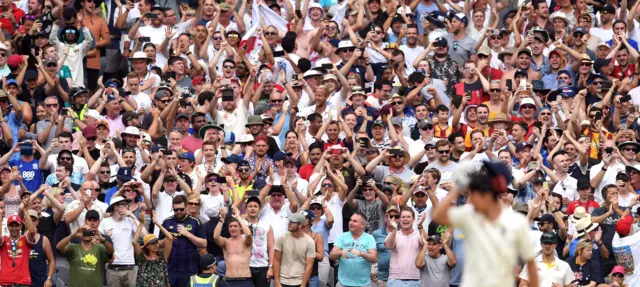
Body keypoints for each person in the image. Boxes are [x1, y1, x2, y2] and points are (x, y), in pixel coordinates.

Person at [431, 161, 538, 287]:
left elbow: (531, 264)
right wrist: (457, 189)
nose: (473, 197)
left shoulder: (516, 222)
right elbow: (438, 216)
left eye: (478, 192)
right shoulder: (470, 215)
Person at [56, 210, 115, 287]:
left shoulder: (104, 239)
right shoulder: (76, 239)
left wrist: (101, 240)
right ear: (85, 221)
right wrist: (73, 234)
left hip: (97, 279)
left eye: (95, 220)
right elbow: (59, 247)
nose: (92, 223)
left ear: (99, 222)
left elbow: (111, 259)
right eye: (90, 220)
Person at [161, 194, 207, 286]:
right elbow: (158, 244)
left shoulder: (195, 221)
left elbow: (204, 243)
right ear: (172, 208)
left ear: (186, 207)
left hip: (189, 268)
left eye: (181, 209)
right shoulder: (167, 222)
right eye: (176, 209)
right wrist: (168, 238)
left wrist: (188, 234)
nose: (178, 212)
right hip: (170, 268)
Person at [99, 196, 140, 287]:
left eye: (127, 204)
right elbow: (98, 241)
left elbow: (144, 234)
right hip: (113, 267)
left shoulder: (130, 220)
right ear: (116, 207)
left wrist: (133, 217)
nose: (127, 207)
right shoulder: (105, 222)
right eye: (124, 204)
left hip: (130, 266)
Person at [329, 212, 378, 287]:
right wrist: (341, 252)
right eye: (350, 220)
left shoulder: (369, 238)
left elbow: (374, 258)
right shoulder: (342, 236)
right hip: (343, 283)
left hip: (363, 284)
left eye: (354, 221)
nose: (351, 223)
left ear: (363, 225)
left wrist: (362, 253)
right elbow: (331, 255)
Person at [0, 198, 37, 286]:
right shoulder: (4, 240)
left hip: (23, 282)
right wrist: (0, 217)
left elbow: (32, 231)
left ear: (21, 226)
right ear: (7, 227)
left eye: (16, 225)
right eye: (11, 225)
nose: (14, 228)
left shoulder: (25, 240)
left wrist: (25, 210)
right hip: (6, 281)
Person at [273, 213, 316, 287]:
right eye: (289, 221)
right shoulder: (282, 238)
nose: (289, 224)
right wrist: (277, 281)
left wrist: (303, 284)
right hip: (283, 281)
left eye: (292, 222)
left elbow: (309, 265)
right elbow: (276, 260)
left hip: (300, 281)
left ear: (300, 225)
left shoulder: (309, 242)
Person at [214, 206, 253, 287]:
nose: (233, 228)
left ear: (240, 228)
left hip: (245, 280)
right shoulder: (226, 242)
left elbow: (248, 233)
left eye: (235, 226)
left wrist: (238, 217)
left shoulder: (246, 241)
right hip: (229, 280)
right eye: (230, 226)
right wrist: (222, 219)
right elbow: (216, 237)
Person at [132, 211, 173, 287]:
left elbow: (170, 238)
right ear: (147, 246)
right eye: (152, 243)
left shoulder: (162, 257)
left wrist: (157, 223)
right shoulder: (142, 257)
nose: (156, 245)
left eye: (156, 242)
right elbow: (134, 242)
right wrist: (141, 224)